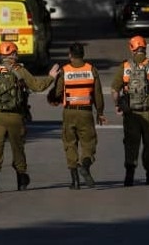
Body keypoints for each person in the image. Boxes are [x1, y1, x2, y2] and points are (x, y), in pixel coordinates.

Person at [0, 41, 60, 193]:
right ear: (13, 54)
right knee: (18, 149)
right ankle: (21, 181)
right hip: (16, 117)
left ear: (1, 55)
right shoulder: (20, 71)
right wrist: (51, 77)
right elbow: (37, 86)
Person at [111, 35, 149, 187]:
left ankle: (129, 176)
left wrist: (118, 105)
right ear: (144, 48)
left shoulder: (125, 67)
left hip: (131, 114)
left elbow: (114, 90)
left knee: (131, 144)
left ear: (132, 48)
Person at [50, 43, 107, 189]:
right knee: (89, 143)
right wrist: (100, 112)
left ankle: (75, 181)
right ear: (83, 55)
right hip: (86, 112)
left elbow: (57, 93)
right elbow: (98, 94)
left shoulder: (65, 70)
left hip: (69, 112)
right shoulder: (91, 69)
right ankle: (85, 166)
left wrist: (53, 98)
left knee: (70, 144)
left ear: (70, 55)